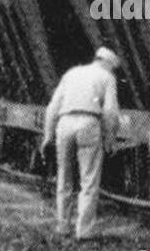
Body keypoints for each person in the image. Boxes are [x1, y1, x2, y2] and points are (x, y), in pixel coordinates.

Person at [41, 47, 121, 240]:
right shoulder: (107, 77)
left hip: (64, 122)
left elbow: (53, 106)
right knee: (89, 180)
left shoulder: (72, 73)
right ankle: (83, 231)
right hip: (88, 122)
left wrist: (47, 135)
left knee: (64, 177)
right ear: (109, 64)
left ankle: (62, 226)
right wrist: (110, 138)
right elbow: (110, 111)